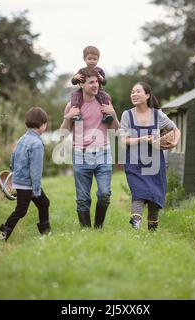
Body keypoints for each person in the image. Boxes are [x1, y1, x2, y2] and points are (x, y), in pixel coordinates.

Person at [60, 67, 120, 228]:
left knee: (104, 193)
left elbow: (117, 130)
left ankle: (98, 227)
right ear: (81, 84)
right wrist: (67, 117)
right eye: (91, 82)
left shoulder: (104, 102)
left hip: (103, 153)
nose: (96, 85)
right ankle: (86, 231)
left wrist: (113, 114)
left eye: (97, 82)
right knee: (82, 198)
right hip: (80, 155)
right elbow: (63, 133)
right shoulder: (72, 105)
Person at [119, 82, 181, 231]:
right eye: (132, 92)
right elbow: (123, 140)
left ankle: (152, 231)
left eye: (137, 91)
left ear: (147, 95)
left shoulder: (157, 114)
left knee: (155, 196)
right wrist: (142, 139)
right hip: (134, 162)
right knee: (139, 192)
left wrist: (174, 143)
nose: (134, 94)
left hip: (155, 161)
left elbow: (176, 130)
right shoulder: (127, 115)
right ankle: (135, 224)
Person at [0, 107, 51, 241]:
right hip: (28, 184)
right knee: (21, 211)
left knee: (43, 203)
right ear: (42, 124)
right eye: (46, 123)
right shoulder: (37, 143)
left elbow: (13, 156)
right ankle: (3, 234)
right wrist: (36, 189)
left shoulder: (23, 138)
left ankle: (46, 234)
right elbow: (36, 169)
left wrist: (13, 172)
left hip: (20, 180)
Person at [70, 45, 113, 124]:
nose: (92, 61)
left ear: (98, 60)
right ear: (85, 59)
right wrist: (75, 78)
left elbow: (104, 82)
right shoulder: (82, 71)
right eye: (89, 59)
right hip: (84, 90)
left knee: (105, 97)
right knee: (75, 95)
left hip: (98, 90)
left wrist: (101, 79)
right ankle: (76, 113)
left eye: (94, 59)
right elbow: (74, 82)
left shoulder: (99, 70)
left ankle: (106, 114)